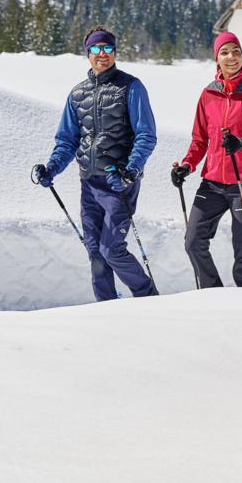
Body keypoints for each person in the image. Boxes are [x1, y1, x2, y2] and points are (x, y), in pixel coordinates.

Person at [33, 26, 160, 301]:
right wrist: (51, 168)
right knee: (95, 252)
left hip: (119, 184)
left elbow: (146, 135)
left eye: (106, 49)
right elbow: (67, 141)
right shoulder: (77, 94)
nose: (101, 54)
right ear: (87, 53)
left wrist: (130, 171)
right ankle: (106, 309)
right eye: (95, 49)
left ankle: (149, 297)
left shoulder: (131, 87)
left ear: (114, 52)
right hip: (89, 184)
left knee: (111, 249)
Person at [172, 31, 242, 288]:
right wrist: (187, 165)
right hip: (213, 182)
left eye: (236, 51)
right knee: (193, 241)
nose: (231, 57)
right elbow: (199, 139)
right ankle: (214, 295)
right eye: (225, 52)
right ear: (216, 58)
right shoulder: (209, 94)